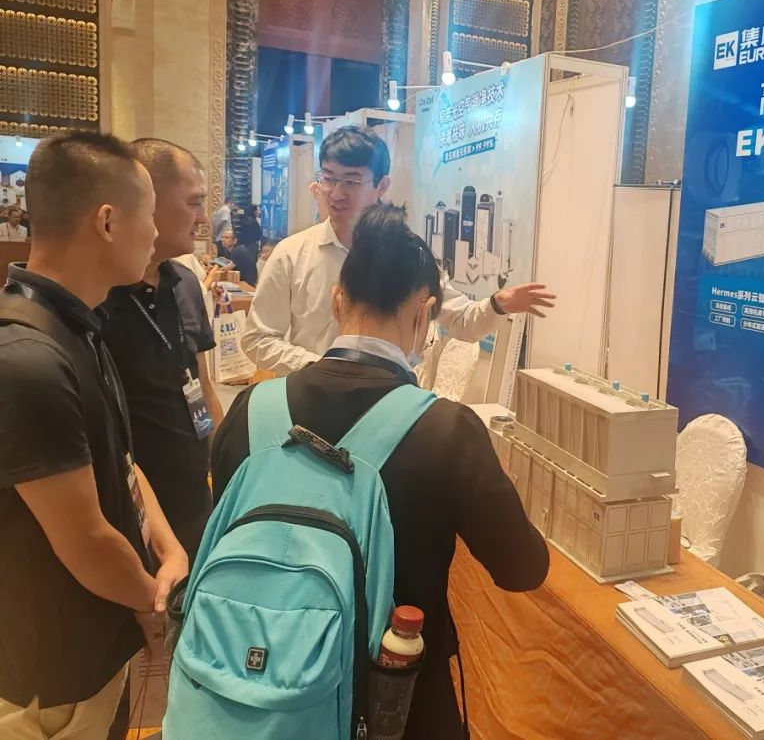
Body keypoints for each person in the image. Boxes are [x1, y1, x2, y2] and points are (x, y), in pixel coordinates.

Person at [212, 204, 549, 737]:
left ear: (336, 300)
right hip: (399, 703)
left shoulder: (250, 411)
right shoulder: (447, 431)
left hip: (248, 689)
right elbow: (522, 569)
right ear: (425, 313)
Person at [0, 132, 187, 737]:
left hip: (96, 647)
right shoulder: (27, 357)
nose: (155, 234)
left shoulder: (79, 325)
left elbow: (121, 462)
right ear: (107, 221)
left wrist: (169, 547)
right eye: (148, 215)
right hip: (49, 675)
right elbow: (84, 539)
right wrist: (151, 601)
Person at [242, 126, 555, 381]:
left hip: (387, 409)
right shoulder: (292, 254)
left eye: (351, 181)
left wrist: (497, 305)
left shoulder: (405, 252)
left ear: (382, 186)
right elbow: (257, 339)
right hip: (309, 404)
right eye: (329, 178)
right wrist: (321, 368)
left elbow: (463, 322)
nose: (336, 193)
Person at [102, 138, 224, 561]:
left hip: (194, 498)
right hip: (131, 512)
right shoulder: (100, 294)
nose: (203, 218)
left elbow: (202, 385)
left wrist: (225, 467)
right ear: (148, 200)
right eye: (194, 203)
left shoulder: (185, 283)